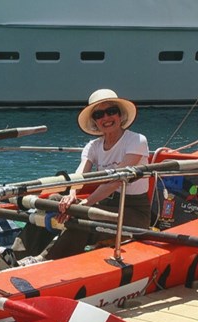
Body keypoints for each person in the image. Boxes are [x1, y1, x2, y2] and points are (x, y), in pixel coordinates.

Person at [15, 89, 151, 263]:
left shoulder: (136, 140)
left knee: (82, 214)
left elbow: (115, 182)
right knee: (53, 200)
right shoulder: (93, 146)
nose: (106, 118)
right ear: (94, 120)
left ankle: (46, 259)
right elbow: (79, 175)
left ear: (120, 114)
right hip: (106, 204)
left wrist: (85, 203)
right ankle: (20, 252)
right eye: (99, 114)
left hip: (133, 212)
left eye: (111, 112)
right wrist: (71, 196)